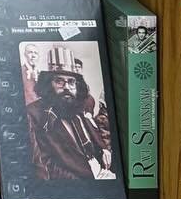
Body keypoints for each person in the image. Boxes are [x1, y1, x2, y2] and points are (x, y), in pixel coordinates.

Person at [23, 43, 116, 185]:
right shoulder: (34, 114)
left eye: (71, 82)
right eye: (59, 81)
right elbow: (45, 167)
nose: (66, 87)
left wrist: (104, 150)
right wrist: (91, 183)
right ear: (48, 84)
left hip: (101, 172)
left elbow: (93, 132)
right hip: (78, 184)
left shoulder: (76, 106)